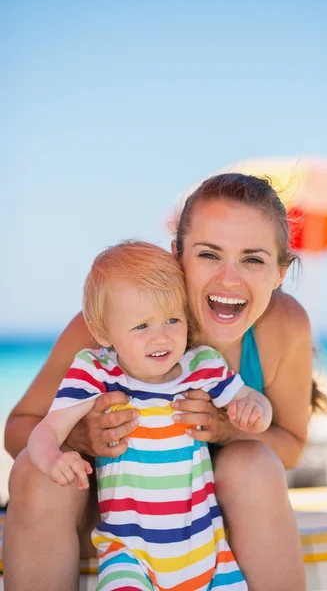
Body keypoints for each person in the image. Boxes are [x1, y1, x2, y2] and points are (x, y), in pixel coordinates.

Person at [4, 172, 326, 590]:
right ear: (177, 255)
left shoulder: (284, 325)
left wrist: (227, 429)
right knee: (36, 473)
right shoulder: (113, 327)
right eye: (210, 254)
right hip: (115, 525)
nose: (229, 280)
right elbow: (18, 430)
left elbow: (292, 447)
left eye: (253, 259)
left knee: (255, 465)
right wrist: (81, 437)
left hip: (208, 525)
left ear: (280, 272)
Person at [27, 240, 272, 590]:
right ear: (102, 332)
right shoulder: (96, 373)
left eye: (172, 319)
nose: (161, 336)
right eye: (141, 326)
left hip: (207, 551)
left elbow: (254, 402)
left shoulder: (202, 366)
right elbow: (45, 430)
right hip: (129, 554)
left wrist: (254, 412)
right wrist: (52, 458)